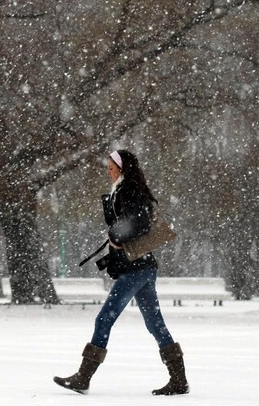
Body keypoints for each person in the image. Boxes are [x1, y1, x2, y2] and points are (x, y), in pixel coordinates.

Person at [53, 149, 189, 396]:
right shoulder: (126, 189)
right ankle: (179, 379)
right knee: (154, 323)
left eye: (111, 166)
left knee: (105, 318)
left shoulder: (129, 190)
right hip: (143, 266)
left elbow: (139, 223)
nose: (108, 170)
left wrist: (116, 237)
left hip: (135, 269)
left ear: (122, 168)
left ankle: (84, 377)